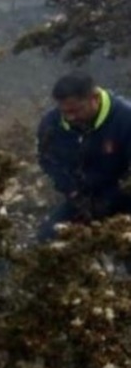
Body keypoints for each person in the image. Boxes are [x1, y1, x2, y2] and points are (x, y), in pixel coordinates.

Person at [36, 72, 131, 242]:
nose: (70, 117)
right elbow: (47, 159)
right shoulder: (52, 123)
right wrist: (70, 190)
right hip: (82, 198)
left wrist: (112, 197)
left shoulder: (125, 118)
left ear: (94, 98)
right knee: (47, 239)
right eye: (64, 111)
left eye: (75, 110)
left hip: (122, 196)